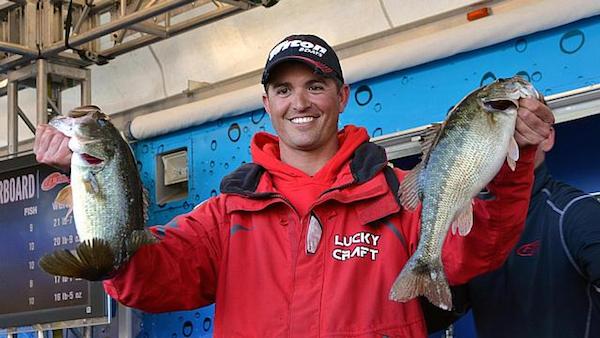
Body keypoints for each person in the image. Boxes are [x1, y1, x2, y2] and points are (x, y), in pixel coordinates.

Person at [33, 34, 555, 337]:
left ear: (342, 96)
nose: (298, 103)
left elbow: (476, 247)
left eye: (315, 86)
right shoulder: (225, 215)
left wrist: (513, 164)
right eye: (283, 89)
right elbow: (151, 279)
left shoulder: (398, 195)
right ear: (266, 104)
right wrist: (94, 182)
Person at [466, 127, 600, 338]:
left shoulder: (576, 213)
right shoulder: (468, 227)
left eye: (518, 128)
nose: (504, 140)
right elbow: (433, 314)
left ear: (547, 137)